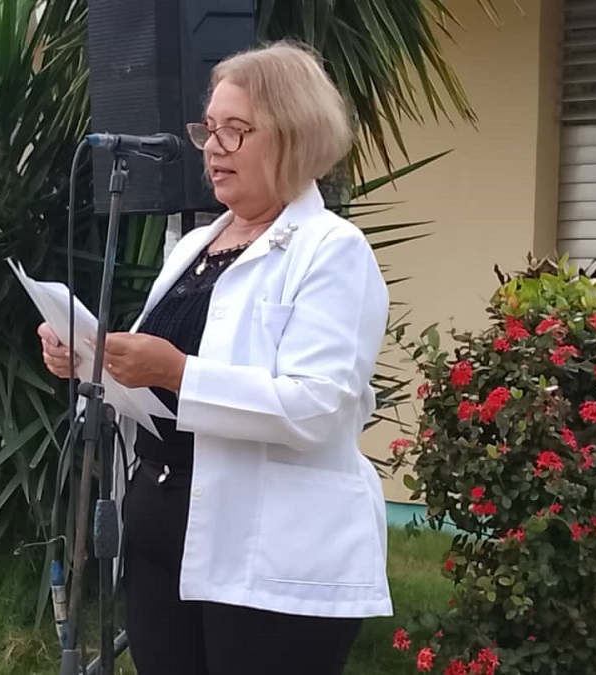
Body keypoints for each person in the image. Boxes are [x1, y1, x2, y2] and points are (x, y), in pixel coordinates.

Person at [39, 41, 391, 675]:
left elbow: (319, 406)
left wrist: (177, 372)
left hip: (270, 551)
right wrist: (90, 358)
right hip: (161, 534)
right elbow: (151, 380)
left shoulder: (331, 249)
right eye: (208, 129)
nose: (213, 147)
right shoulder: (197, 244)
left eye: (237, 130)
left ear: (294, 136)